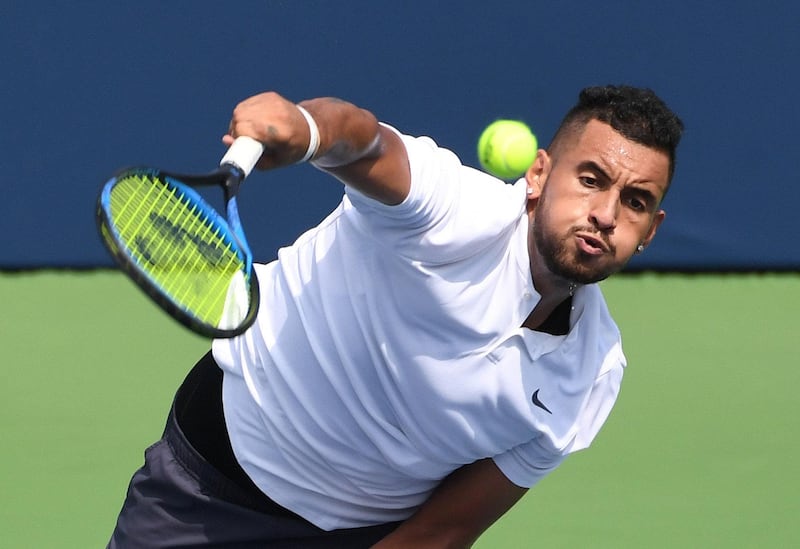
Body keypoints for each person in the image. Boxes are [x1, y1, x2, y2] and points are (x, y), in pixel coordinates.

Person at [108, 85, 683, 548]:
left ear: (650, 231)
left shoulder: (591, 374)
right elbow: (362, 140)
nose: (605, 214)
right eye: (590, 180)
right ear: (538, 176)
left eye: (634, 201)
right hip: (211, 488)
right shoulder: (451, 210)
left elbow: (445, 530)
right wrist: (306, 129)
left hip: (360, 535)